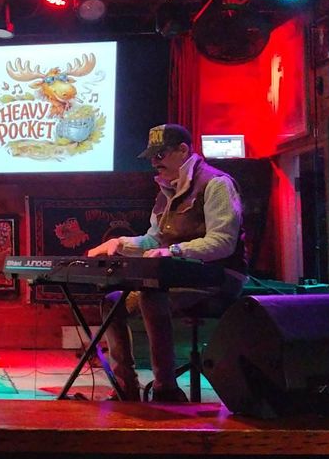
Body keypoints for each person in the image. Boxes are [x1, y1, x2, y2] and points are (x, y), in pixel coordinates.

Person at [87, 124, 246, 403]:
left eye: (160, 154)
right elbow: (153, 240)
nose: (154, 162)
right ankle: (126, 387)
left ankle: (166, 388)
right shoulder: (165, 192)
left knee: (151, 295)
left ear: (183, 150)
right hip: (175, 278)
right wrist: (120, 243)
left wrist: (174, 252)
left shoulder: (216, 184)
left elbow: (223, 242)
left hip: (218, 278)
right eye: (151, 156)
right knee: (112, 302)